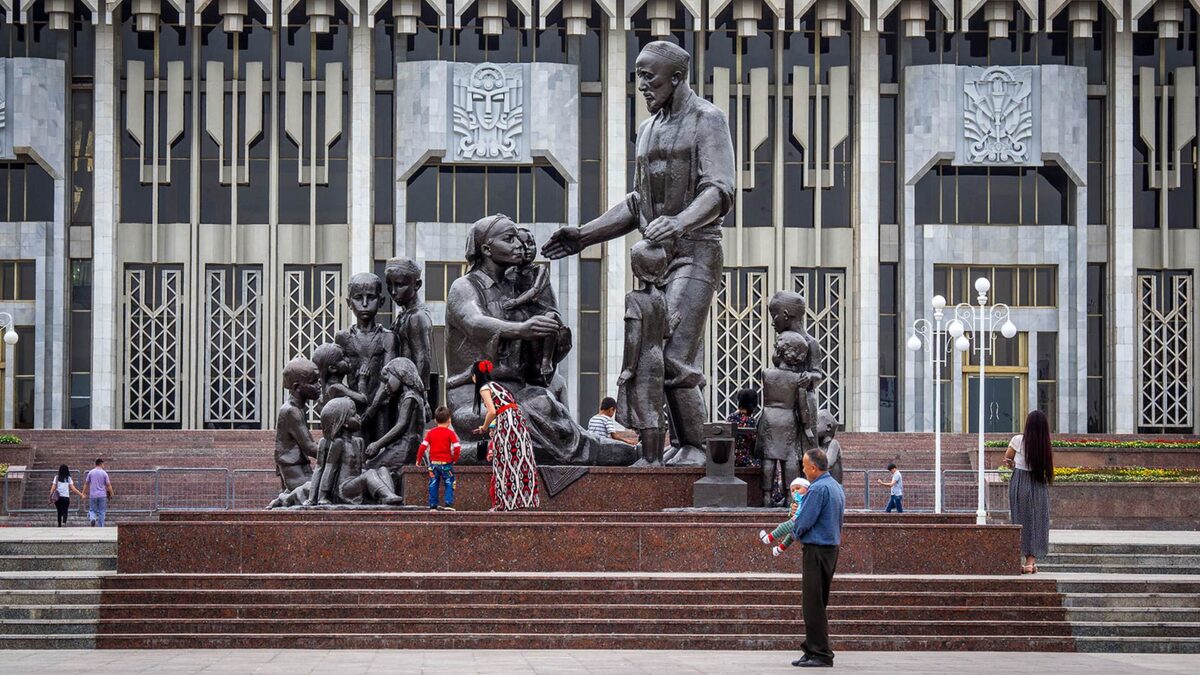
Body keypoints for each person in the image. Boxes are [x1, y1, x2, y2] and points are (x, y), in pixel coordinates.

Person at [543, 40, 736, 466]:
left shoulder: (708, 119)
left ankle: (697, 447)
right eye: (639, 76)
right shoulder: (648, 130)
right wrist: (584, 235)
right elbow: (638, 203)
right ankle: (675, 444)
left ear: (678, 77)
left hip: (696, 251)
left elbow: (721, 190)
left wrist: (681, 222)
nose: (643, 85)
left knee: (672, 354)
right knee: (651, 356)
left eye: (650, 76)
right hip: (656, 258)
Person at [617, 239, 671, 466]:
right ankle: (656, 457)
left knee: (645, 408)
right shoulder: (661, 299)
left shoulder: (634, 298)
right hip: (658, 358)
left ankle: (649, 459)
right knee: (656, 408)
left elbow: (633, 337)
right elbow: (667, 330)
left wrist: (628, 369)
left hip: (643, 362)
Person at [790, 448, 845, 669]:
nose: (803, 469)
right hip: (830, 548)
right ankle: (812, 648)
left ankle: (821, 653)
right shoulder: (835, 487)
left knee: (812, 604)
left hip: (817, 549)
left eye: (804, 466)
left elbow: (805, 520)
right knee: (817, 602)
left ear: (813, 467)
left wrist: (794, 532)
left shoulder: (818, 489)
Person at [471, 360, 540, 511]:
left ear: (476, 376)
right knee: (520, 460)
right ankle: (523, 500)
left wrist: (484, 427)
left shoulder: (484, 388)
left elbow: (492, 412)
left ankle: (503, 503)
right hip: (517, 420)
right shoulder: (497, 385)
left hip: (506, 423)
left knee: (504, 459)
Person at [1006, 409, 1054, 574]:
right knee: (1037, 521)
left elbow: (1008, 458)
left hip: (1019, 482)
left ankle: (1021, 561)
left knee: (1019, 519)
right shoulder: (1045, 445)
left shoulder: (1018, 440)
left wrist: (1010, 464)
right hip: (1038, 483)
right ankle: (1030, 562)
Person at [275, 357, 322, 491]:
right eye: (313, 382)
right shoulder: (291, 411)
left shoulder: (299, 408)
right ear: (297, 387)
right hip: (295, 474)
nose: (319, 386)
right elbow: (311, 448)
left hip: (301, 470)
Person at [420, 406, 462, 511]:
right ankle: (448, 504)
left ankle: (433, 505)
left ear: (435, 420)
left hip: (433, 464)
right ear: (449, 420)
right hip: (446, 464)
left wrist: (418, 459)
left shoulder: (430, 433)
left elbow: (422, 446)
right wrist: (455, 458)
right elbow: (457, 447)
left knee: (433, 483)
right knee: (449, 482)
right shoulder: (450, 433)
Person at [758, 477, 809, 556]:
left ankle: (768, 538)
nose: (795, 491)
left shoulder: (809, 498)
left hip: (800, 520)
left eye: (798, 488)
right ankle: (779, 549)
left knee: (784, 526)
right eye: (792, 490)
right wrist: (791, 511)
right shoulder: (797, 501)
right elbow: (793, 511)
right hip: (799, 520)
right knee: (791, 534)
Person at [727, 389, 760, 469]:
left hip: (729, 458)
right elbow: (755, 443)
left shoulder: (731, 417)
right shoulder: (750, 421)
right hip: (744, 459)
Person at [82, 458, 113, 527]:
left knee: (92, 510)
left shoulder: (91, 472)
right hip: (102, 495)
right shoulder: (104, 473)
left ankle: (93, 519)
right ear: (101, 464)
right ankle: (101, 526)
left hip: (93, 495)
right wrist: (111, 493)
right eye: (103, 464)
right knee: (102, 511)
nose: (104, 465)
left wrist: (83, 493)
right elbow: (108, 485)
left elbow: (86, 483)